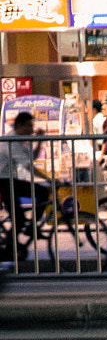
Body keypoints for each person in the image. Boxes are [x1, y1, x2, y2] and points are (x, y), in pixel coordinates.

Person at [0, 111, 63, 259]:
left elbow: (31, 158)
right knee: (19, 217)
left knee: (41, 193)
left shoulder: (20, 139)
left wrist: (39, 142)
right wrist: (50, 179)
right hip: (4, 181)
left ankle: (31, 228)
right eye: (29, 125)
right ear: (20, 125)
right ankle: (9, 250)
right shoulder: (11, 141)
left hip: (10, 180)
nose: (31, 129)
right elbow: (28, 166)